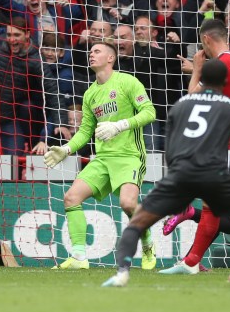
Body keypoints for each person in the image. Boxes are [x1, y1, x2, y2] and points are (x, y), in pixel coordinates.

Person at [101, 59, 230, 287]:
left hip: (181, 174)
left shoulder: (181, 104)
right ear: (224, 81)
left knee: (138, 222)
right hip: (214, 173)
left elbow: (169, 148)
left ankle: (122, 273)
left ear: (201, 78)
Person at [43, 40, 157, 270]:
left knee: (127, 203)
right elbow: (85, 130)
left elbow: (150, 112)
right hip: (103, 158)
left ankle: (147, 243)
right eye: (90, 51)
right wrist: (66, 149)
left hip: (129, 155)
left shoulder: (127, 81)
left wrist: (120, 125)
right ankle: (79, 257)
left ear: (110, 58)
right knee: (71, 198)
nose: (91, 54)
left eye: (97, 51)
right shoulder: (90, 94)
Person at [159, 18, 230, 274]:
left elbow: (193, 97)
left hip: (229, 144)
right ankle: (191, 262)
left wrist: (196, 70)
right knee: (213, 205)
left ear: (205, 40)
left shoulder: (220, 64)